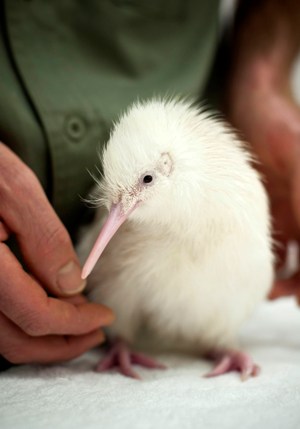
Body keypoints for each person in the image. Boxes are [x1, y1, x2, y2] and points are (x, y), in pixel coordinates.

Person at [0, 0, 299, 368]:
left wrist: (262, 80)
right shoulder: (138, 188)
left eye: (145, 182)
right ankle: (120, 336)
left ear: (168, 166)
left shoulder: (213, 189)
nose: (121, 208)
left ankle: (219, 339)